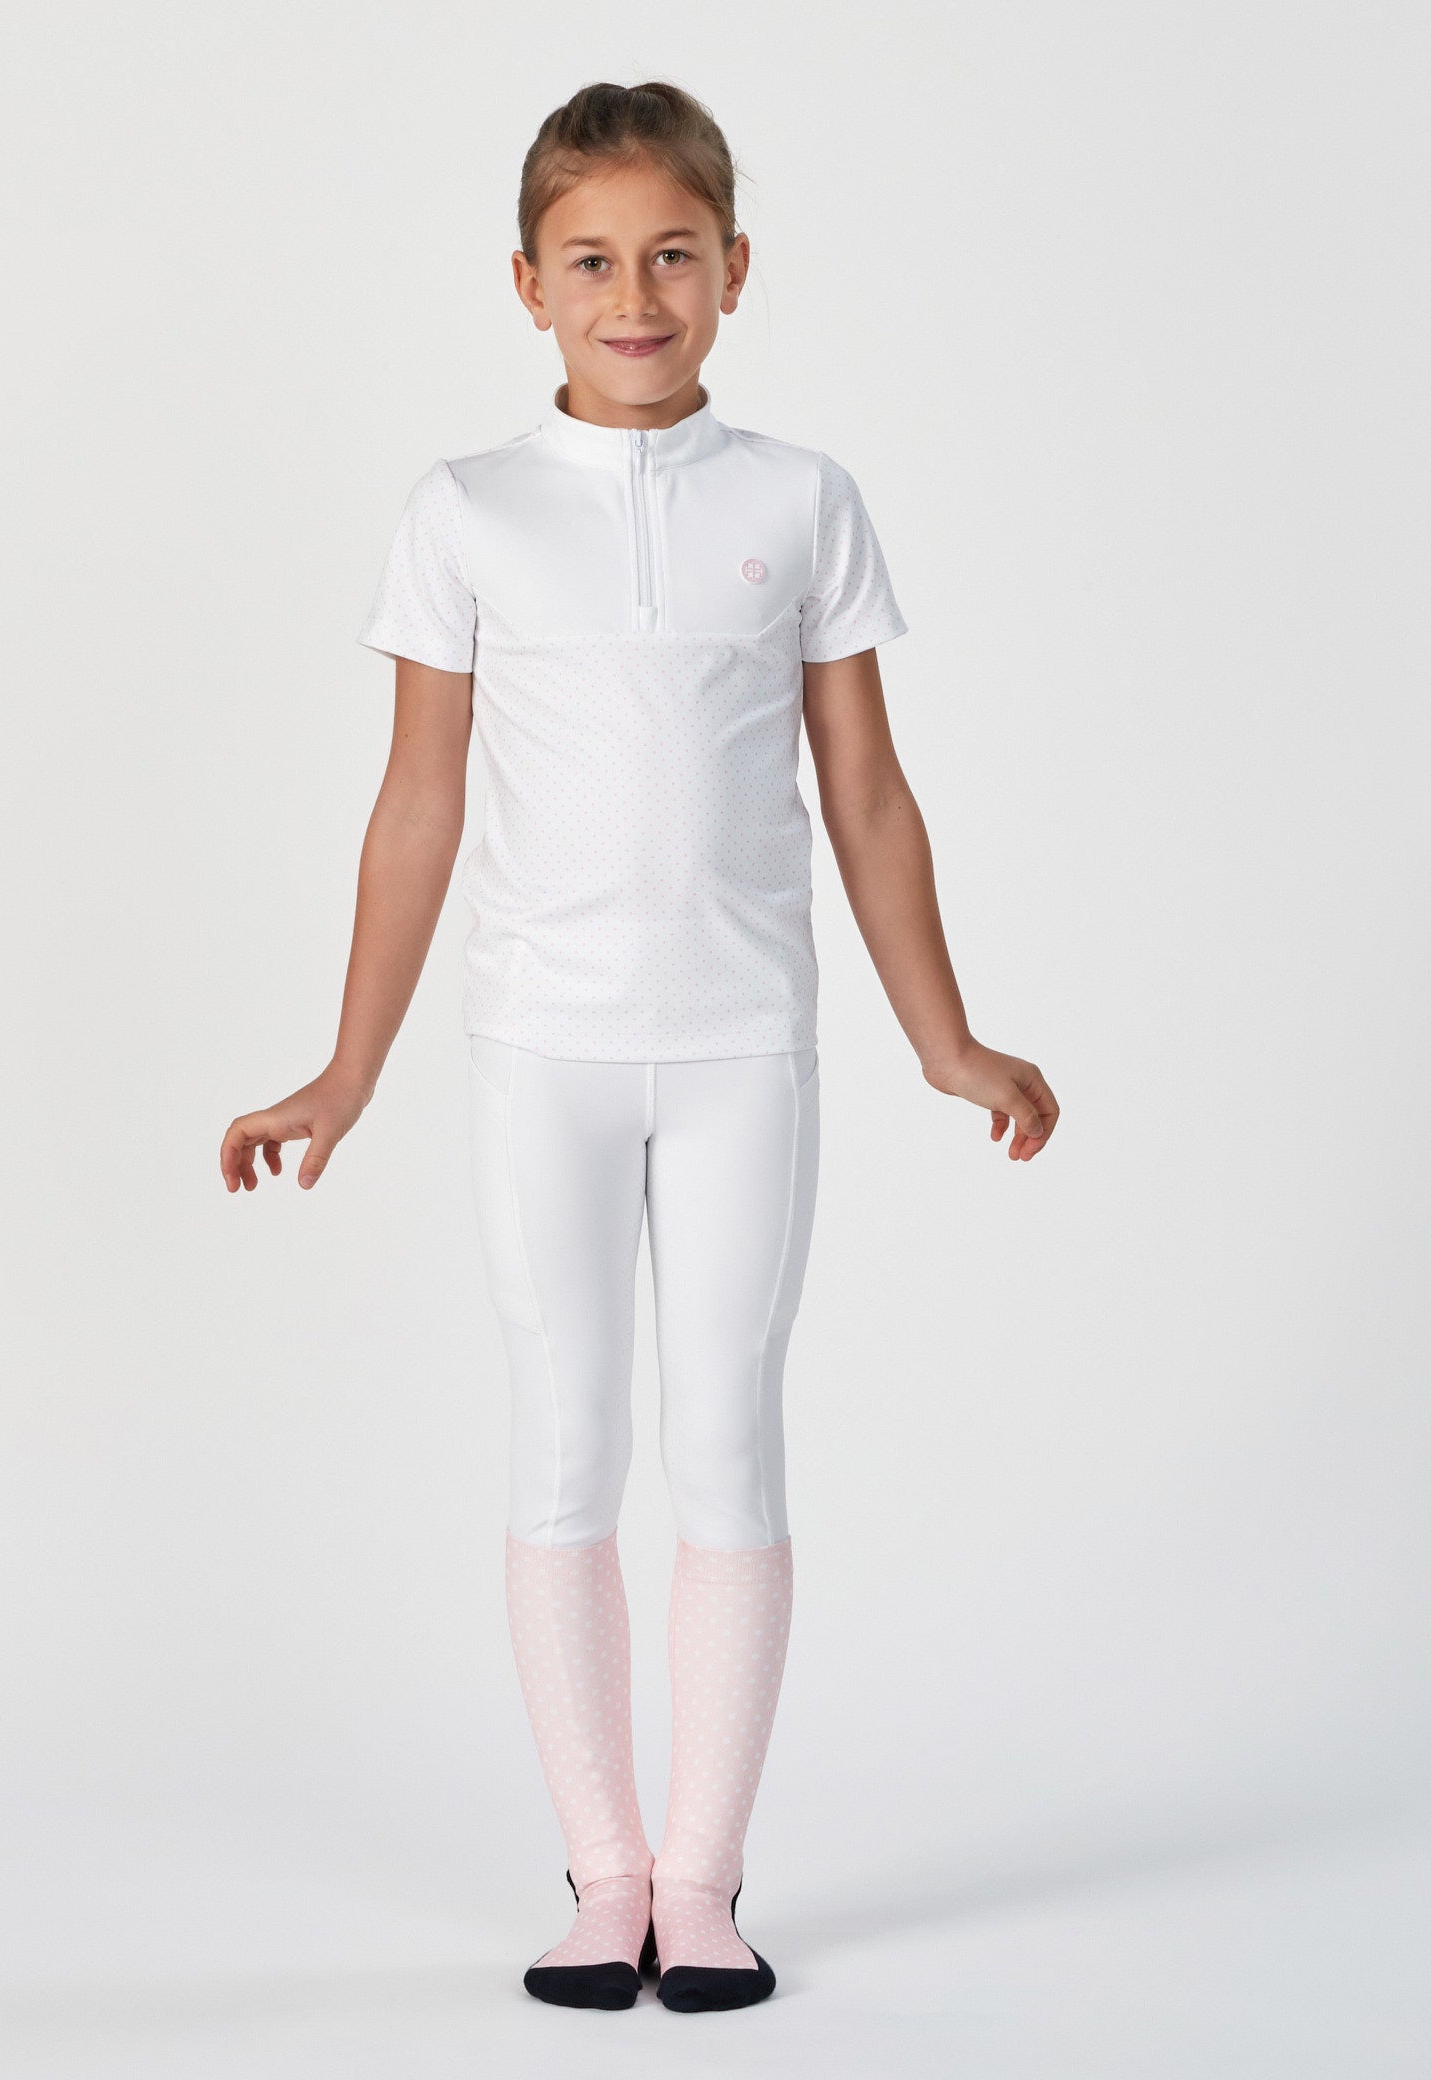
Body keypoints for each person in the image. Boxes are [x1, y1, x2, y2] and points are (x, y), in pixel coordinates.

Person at [219, 78, 1059, 2016]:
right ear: (527, 284)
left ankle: (704, 1875)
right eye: (591, 261)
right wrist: (345, 1071)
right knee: (568, 1439)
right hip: (547, 1052)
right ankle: (603, 1873)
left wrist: (944, 1037)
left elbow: (866, 792)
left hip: (746, 1044)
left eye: (672, 255)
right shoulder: (468, 510)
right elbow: (416, 805)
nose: (634, 295)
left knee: (728, 1439)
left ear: (735, 270)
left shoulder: (800, 500)